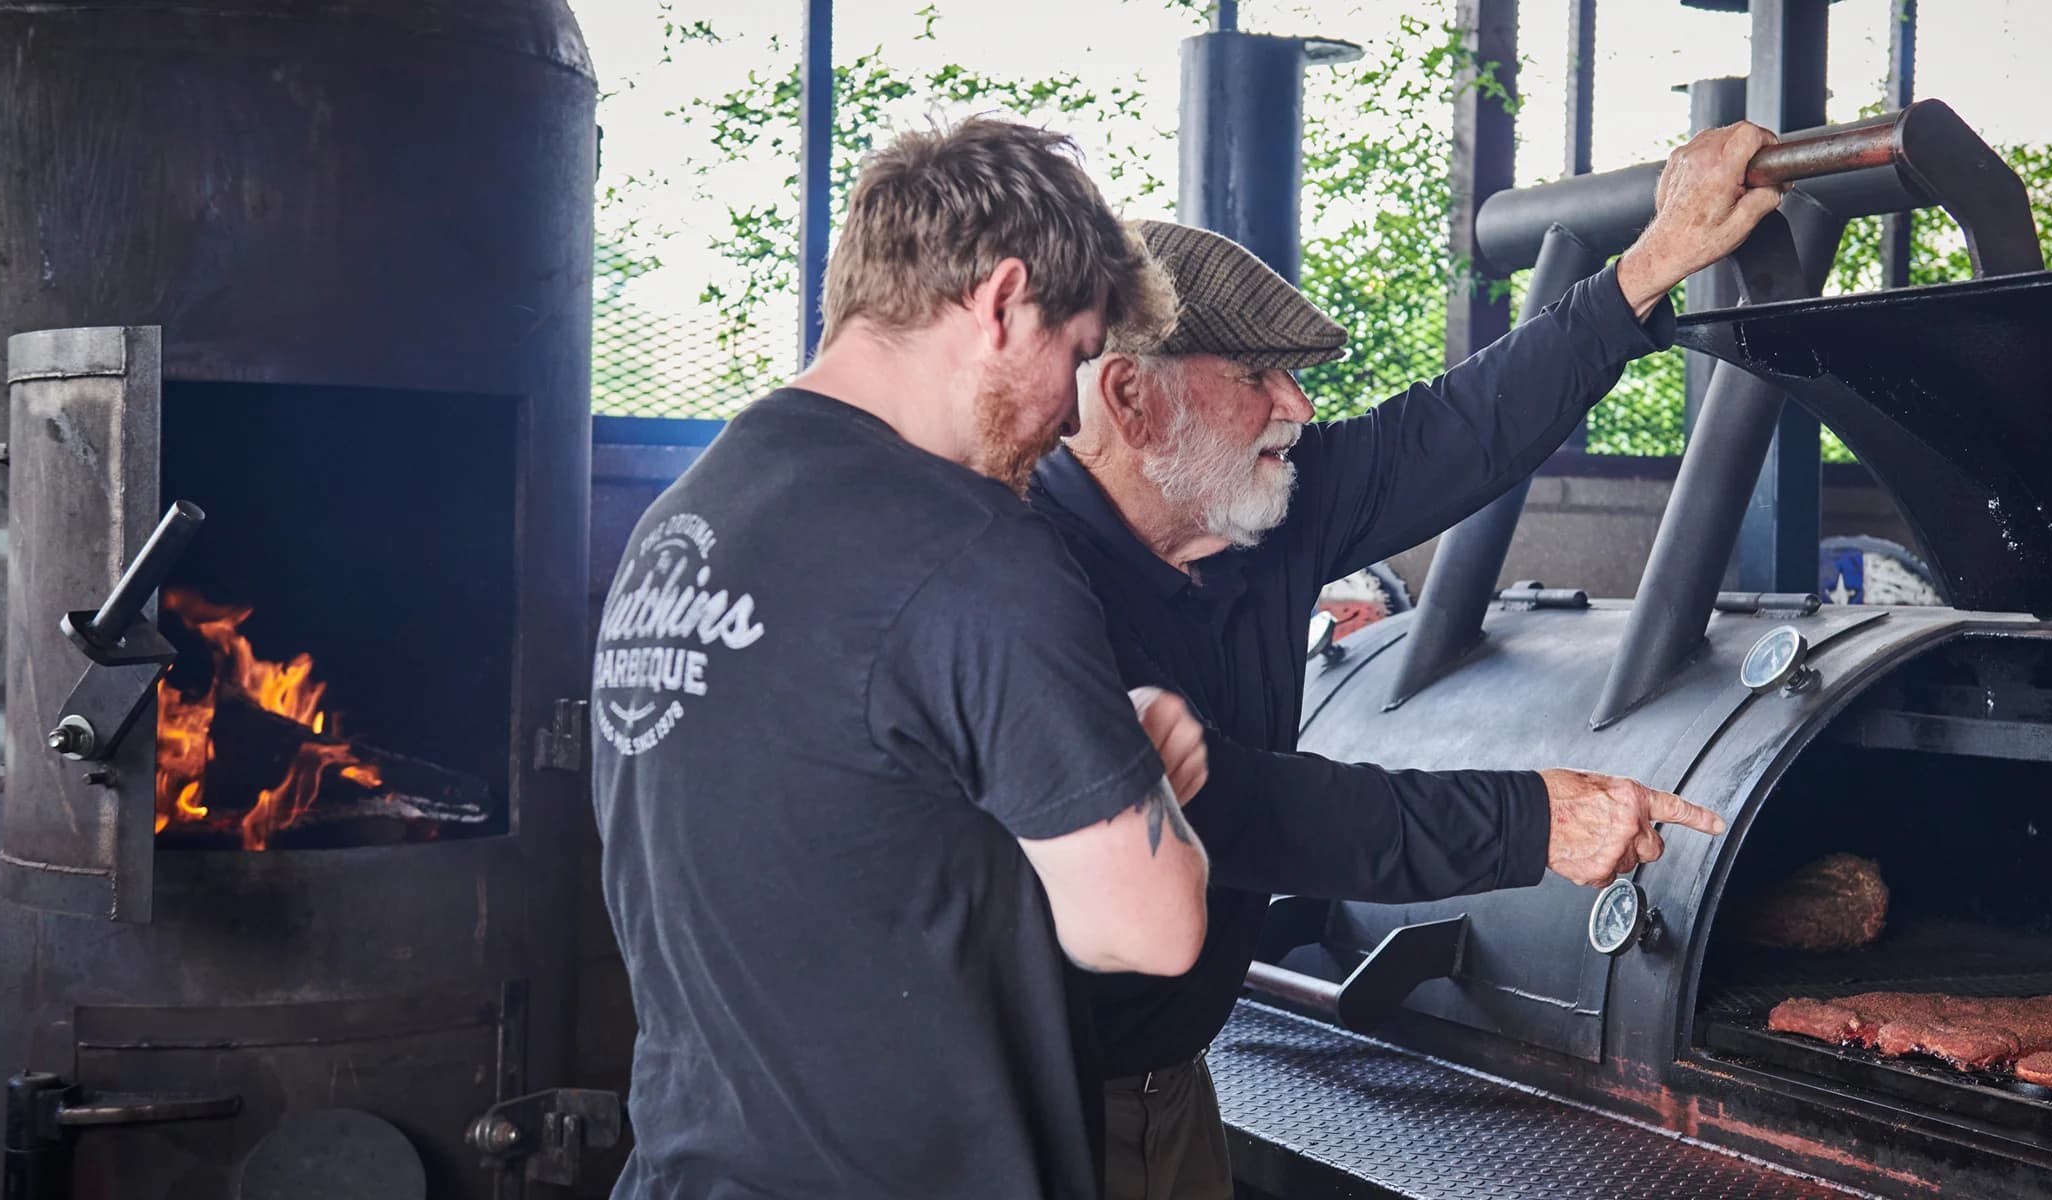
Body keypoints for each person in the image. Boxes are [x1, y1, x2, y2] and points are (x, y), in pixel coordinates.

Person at [1026, 121, 1786, 1200]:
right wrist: (1534, 818)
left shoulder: (1247, 508)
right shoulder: (1018, 577)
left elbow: (1457, 430)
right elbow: (1239, 815)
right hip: (1026, 1111)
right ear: (1131, 399)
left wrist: (1654, 263)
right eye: (1257, 375)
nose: (1298, 406)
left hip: (1171, 1081)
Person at [591, 117, 1216, 1200]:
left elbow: (846, 817)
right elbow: (1151, 931)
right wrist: (1141, 768)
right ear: (1001, 299)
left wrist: (1055, 754)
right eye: (1074, 356)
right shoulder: (974, 548)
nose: (1074, 414)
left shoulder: (682, 523)